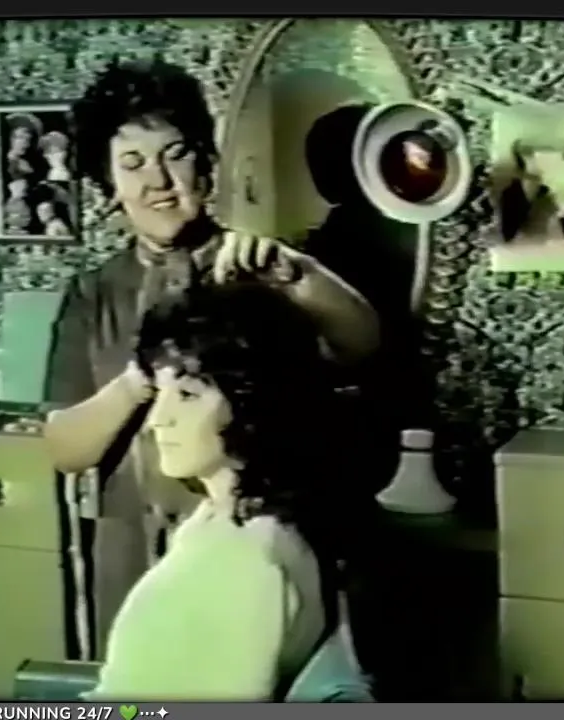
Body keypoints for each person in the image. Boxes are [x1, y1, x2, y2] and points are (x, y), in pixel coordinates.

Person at [41, 57, 380, 651]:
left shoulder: (255, 268)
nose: (157, 180)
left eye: (174, 155)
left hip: (249, 553)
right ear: (110, 186)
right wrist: (138, 382)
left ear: (205, 165)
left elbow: (364, 344)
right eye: (132, 164)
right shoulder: (91, 296)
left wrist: (297, 276)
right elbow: (65, 449)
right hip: (131, 558)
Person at [88, 283, 339, 700]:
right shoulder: (223, 519)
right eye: (161, 393)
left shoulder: (245, 565)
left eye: (187, 395)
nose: (158, 420)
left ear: (252, 402)